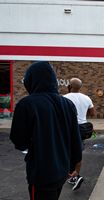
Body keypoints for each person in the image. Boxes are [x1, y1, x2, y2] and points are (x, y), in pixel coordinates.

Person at [10, 61, 83, 200]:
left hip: (41, 174)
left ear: (30, 80)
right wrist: (74, 164)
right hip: (62, 170)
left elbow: (19, 141)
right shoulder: (67, 104)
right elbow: (76, 138)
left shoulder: (26, 104)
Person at [64, 77, 95, 190]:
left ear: (69, 86)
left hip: (69, 129)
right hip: (82, 129)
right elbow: (92, 113)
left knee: (67, 151)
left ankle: (75, 176)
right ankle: (75, 175)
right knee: (78, 151)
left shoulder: (64, 98)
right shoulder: (86, 98)